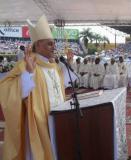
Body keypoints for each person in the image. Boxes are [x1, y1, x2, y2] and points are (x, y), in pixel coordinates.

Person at [0, 15, 75, 159]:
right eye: (49, 44)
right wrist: (28, 73)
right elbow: (8, 90)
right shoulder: (26, 64)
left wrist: (68, 65)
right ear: (38, 45)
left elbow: (60, 85)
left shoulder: (53, 65)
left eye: (53, 43)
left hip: (57, 119)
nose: (54, 47)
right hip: (37, 123)